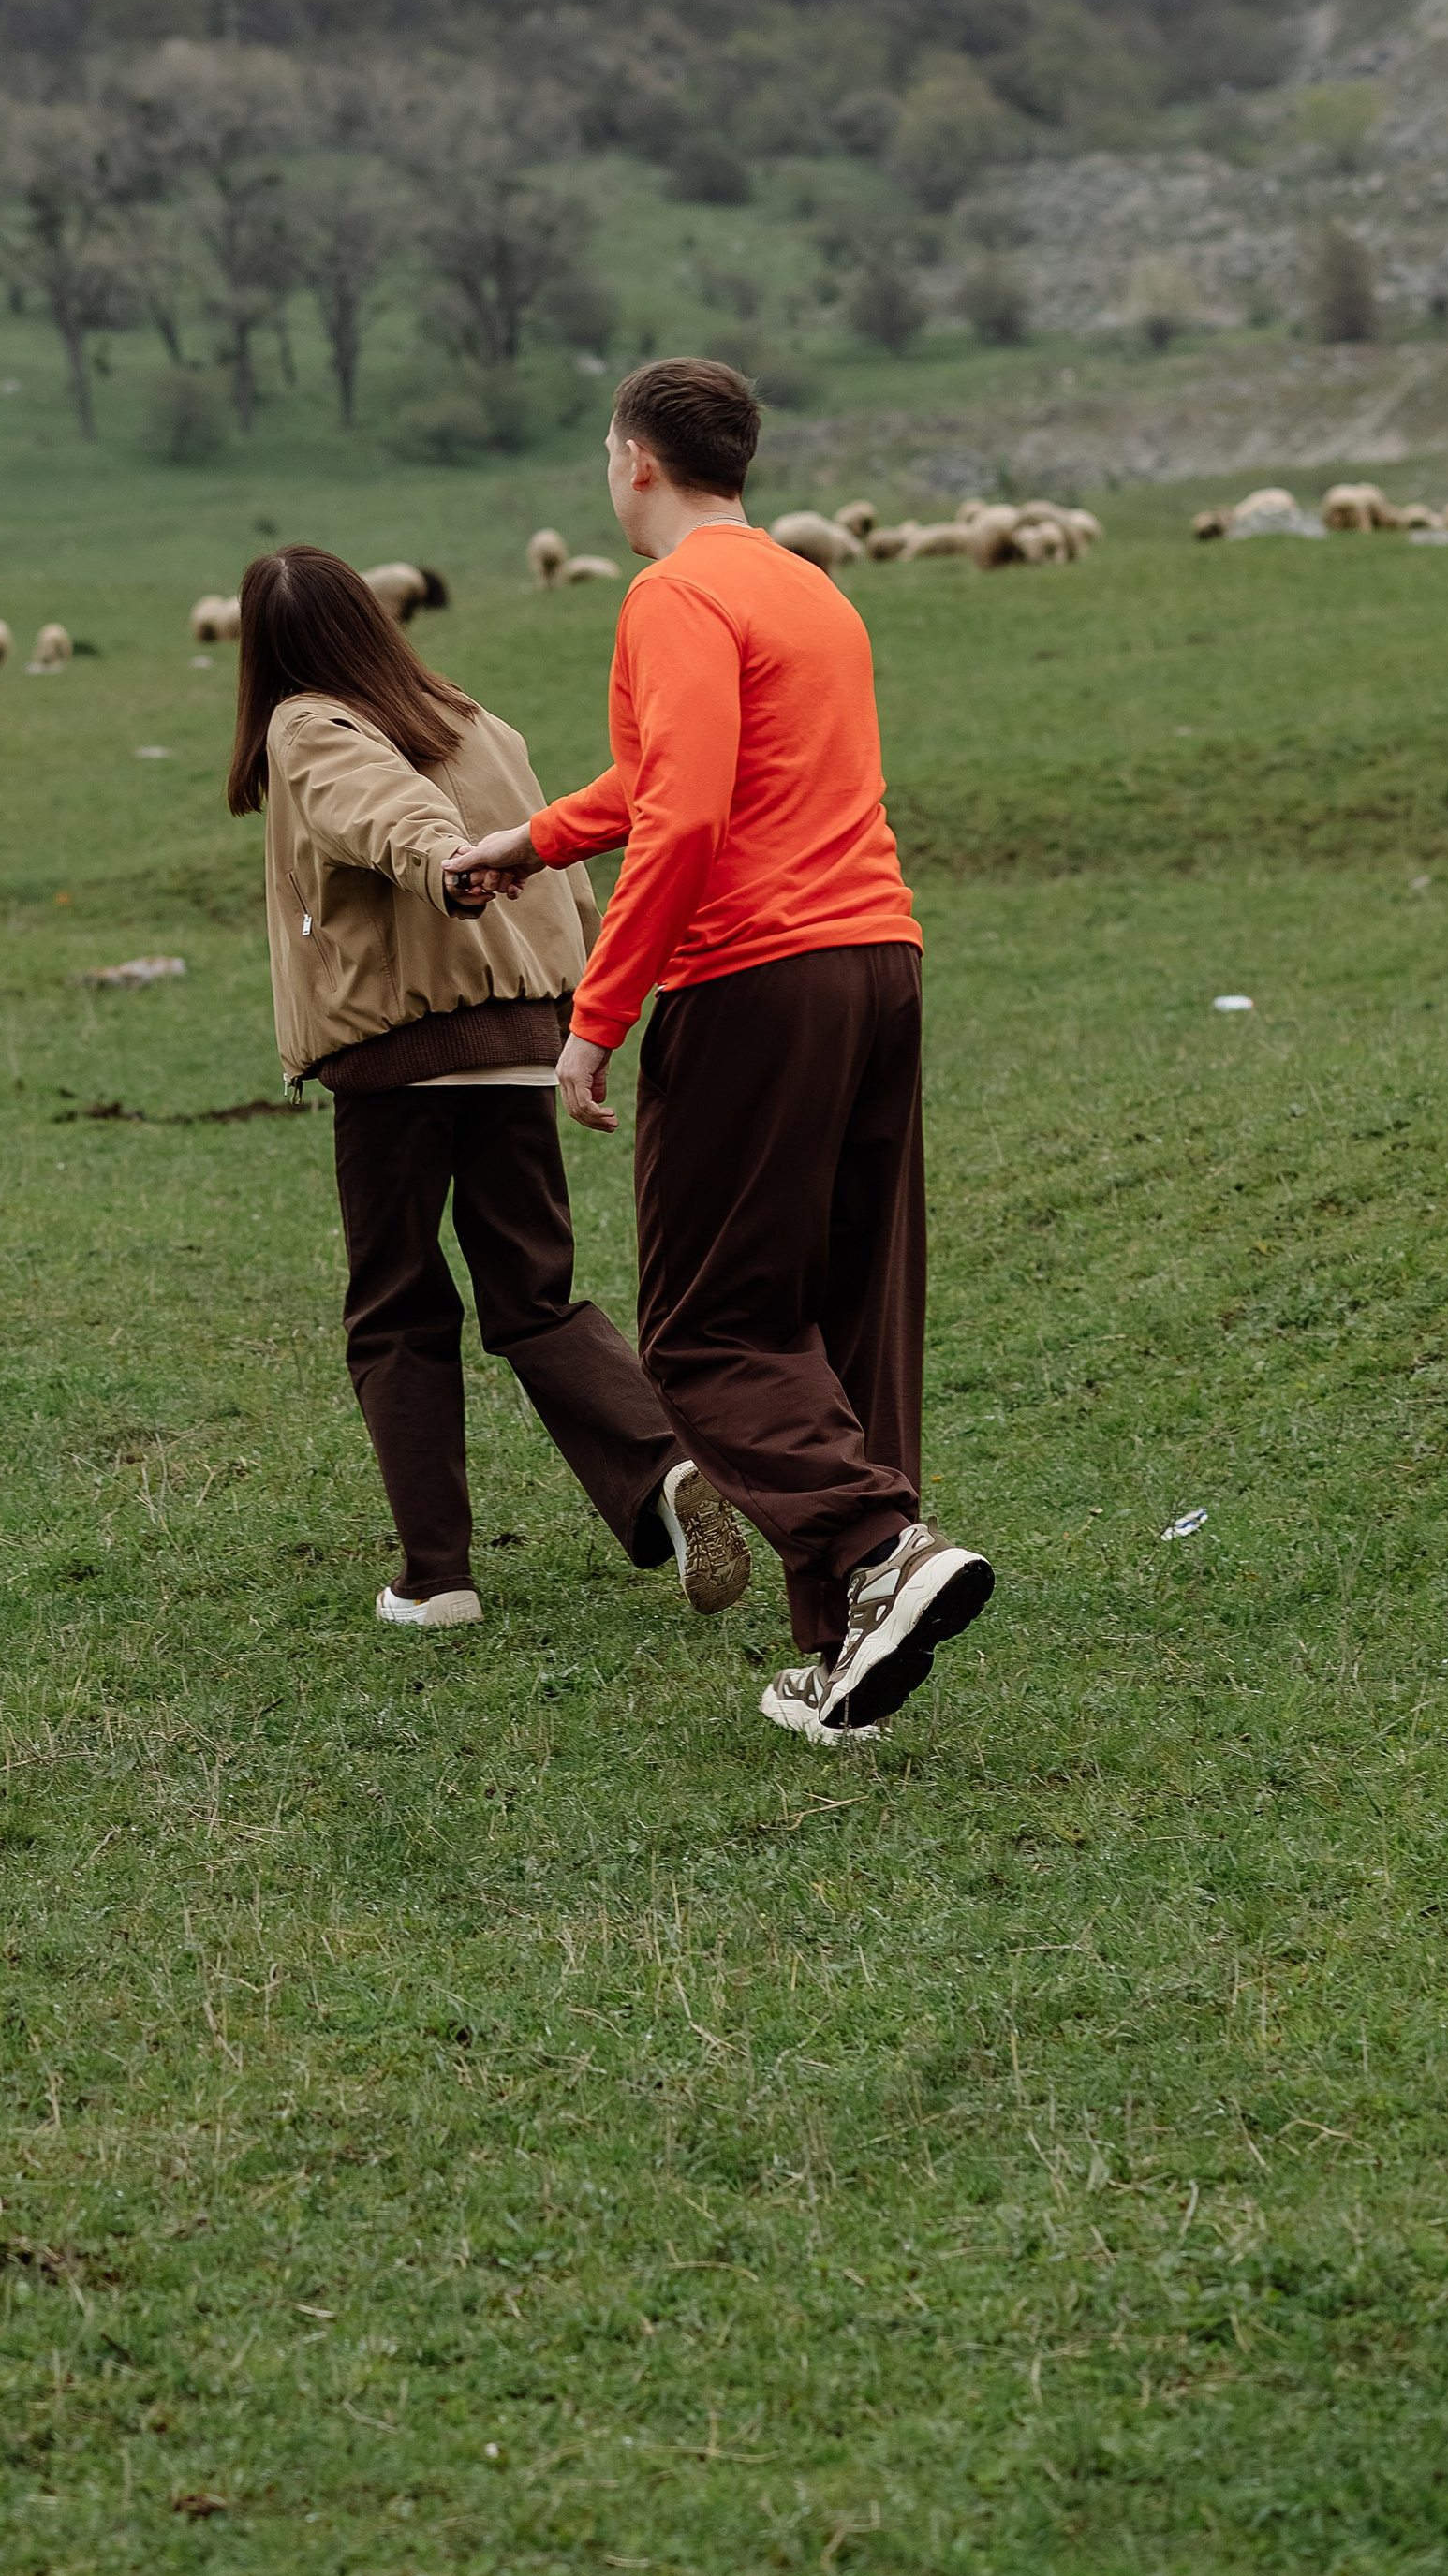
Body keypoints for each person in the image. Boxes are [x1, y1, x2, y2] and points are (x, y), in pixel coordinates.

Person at [453, 359, 994, 1737]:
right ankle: (849, 1652)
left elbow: (687, 816)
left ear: (633, 458)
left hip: (753, 978)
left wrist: (595, 1017)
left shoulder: (669, 594)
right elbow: (657, 782)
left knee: (702, 1333)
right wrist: (534, 839)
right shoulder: (809, 585)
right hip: (879, 958)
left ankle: (881, 1546)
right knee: (845, 1310)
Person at [229, 542, 749, 1635]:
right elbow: (560, 848)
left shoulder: (307, 724)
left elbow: (379, 810)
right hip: (520, 1036)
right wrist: (599, 988)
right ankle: (663, 1466)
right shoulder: (470, 717)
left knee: (396, 1307)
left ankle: (437, 1578)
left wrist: (442, 864)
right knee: (534, 1296)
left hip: (401, 1052)